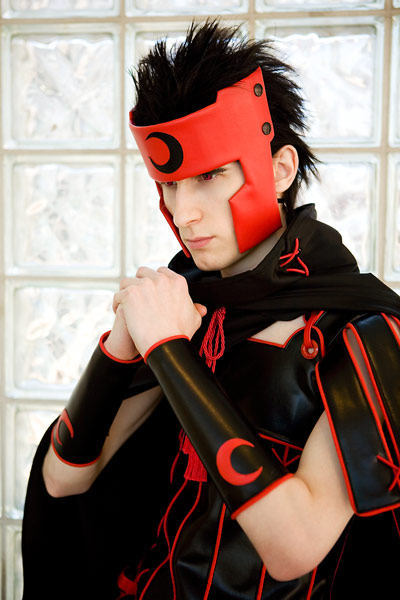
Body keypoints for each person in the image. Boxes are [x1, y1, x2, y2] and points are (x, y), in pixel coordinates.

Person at [22, 21, 400, 600]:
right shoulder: (191, 300)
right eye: (171, 184)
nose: (184, 213)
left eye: (210, 176)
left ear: (280, 170)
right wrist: (125, 342)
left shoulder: (363, 328)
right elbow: (63, 479)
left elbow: (294, 546)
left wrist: (169, 350)